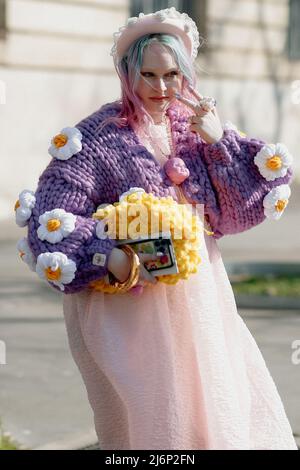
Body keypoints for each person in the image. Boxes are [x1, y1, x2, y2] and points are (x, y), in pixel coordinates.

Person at [16, 7, 297, 450]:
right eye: (147, 74)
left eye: (171, 75)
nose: (161, 88)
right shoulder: (96, 138)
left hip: (202, 296)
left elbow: (238, 207)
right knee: (153, 418)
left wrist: (217, 140)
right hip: (133, 306)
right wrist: (109, 255)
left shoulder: (196, 127)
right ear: (127, 74)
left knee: (216, 404)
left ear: (185, 73)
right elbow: (50, 222)